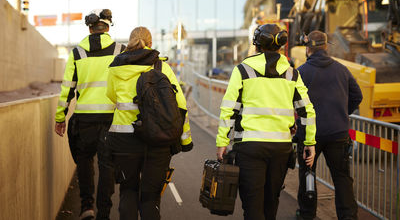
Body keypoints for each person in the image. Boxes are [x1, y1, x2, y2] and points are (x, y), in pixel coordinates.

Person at [216, 24, 317, 220]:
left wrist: (222, 142)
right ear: (280, 46)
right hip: (280, 149)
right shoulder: (292, 74)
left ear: (257, 44)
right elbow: (307, 111)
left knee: (252, 207)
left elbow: (229, 109)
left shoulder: (243, 70)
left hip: (249, 148)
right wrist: (310, 142)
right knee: (271, 204)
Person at [105, 26, 193, 220]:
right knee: (150, 197)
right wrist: (185, 140)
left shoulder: (115, 67)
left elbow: (111, 96)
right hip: (157, 140)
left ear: (129, 42)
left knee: (128, 191)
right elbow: (180, 104)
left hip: (123, 139)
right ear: (150, 43)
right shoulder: (161, 66)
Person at [54, 9, 125, 220]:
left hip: (84, 119)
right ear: (108, 26)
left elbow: (66, 89)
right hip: (111, 119)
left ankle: (87, 207)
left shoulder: (77, 53)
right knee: (107, 167)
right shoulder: (120, 50)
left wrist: (60, 117)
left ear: (90, 28)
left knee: (84, 162)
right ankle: (104, 213)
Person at [295, 30, 363, 220]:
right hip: (337, 134)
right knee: (342, 179)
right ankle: (348, 216)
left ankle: (307, 215)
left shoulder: (300, 73)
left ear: (308, 49)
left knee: (307, 174)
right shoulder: (342, 70)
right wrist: (341, 113)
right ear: (326, 46)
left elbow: (293, 102)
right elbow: (357, 96)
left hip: (310, 136)